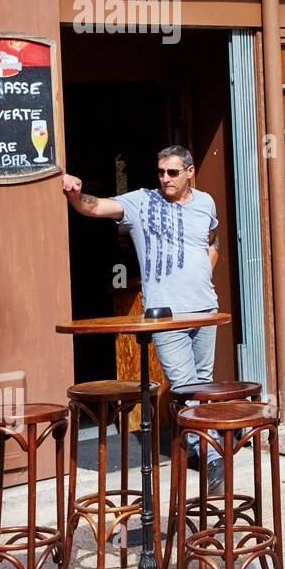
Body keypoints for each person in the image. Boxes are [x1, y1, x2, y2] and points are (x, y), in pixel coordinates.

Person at [62, 145, 224, 491]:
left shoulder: (205, 203)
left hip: (205, 310)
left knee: (204, 382)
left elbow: (213, 239)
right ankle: (212, 457)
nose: (165, 178)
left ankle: (195, 448)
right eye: (161, 172)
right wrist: (76, 194)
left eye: (172, 172)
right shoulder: (143, 201)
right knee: (184, 386)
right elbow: (96, 207)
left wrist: (205, 276)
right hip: (165, 316)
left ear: (190, 172)